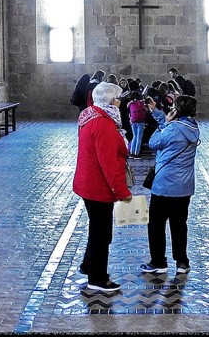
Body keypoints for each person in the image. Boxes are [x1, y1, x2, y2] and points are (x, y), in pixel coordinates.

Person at [73, 81, 132, 295]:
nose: (120, 103)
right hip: (98, 187)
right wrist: (121, 191)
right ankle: (97, 279)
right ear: (112, 101)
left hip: (89, 183)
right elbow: (108, 163)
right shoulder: (104, 124)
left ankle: (88, 265)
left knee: (97, 229)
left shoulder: (92, 115)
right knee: (102, 234)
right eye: (119, 99)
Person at [141, 94, 200, 275]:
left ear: (176, 110)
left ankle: (158, 261)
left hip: (165, 185)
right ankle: (182, 261)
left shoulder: (173, 128)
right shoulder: (193, 127)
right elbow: (169, 129)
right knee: (179, 224)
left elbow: (154, 142)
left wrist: (164, 122)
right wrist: (156, 113)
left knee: (156, 225)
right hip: (184, 187)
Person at [127, 93, 148, 158]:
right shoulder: (142, 104)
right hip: (141, 121)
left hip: (133, 121)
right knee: (139, 137)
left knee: (134, 136)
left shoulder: (130, 104)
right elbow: (146, 110)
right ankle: (137, 153)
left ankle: (131, 152)